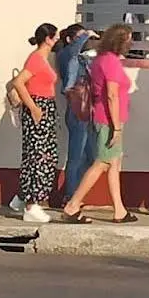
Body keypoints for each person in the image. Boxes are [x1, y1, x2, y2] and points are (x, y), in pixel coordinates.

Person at [62, 24, 136, 224]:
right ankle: (73, 204)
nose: (131, 44)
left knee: (114, 163)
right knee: (102, 162)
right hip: (109, 119)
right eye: (129, 39)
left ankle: (119, 209)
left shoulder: (100, 60)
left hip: (106, 117)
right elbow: (111, 95)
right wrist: (117, 128)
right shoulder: (110, 62)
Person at [9, 23, 59, 224]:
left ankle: (22, 198)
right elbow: (19, 82)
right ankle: (32, 204)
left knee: (41, 153)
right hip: (39, 105)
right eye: (54, 37)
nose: (56, 41)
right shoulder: (36, 59)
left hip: (45, 105)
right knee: (40, 156)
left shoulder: (42, 60)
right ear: (47, 38)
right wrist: (34, 108)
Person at [56, 24, 98, 200]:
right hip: (76, 109)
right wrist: (86, 34)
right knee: (76, 156)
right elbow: (74, 50)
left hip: (88, 109)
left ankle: (75, 193)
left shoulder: (84, 58)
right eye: (81, 38)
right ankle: (70, 196)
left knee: (92, 156)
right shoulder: (66, 55)